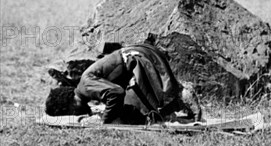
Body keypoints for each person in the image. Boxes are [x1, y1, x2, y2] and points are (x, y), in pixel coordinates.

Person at [45, 42, 201, 124]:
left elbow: (116, 93)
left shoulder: (85, 85)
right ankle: (178, 101)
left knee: (139, 116)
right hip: (140, 56)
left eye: (72, 113)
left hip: (138, 60)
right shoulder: (85, 86)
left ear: (70, 106)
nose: (76, 114)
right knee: (144, 115)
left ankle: (181, 96)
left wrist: (105, 120)